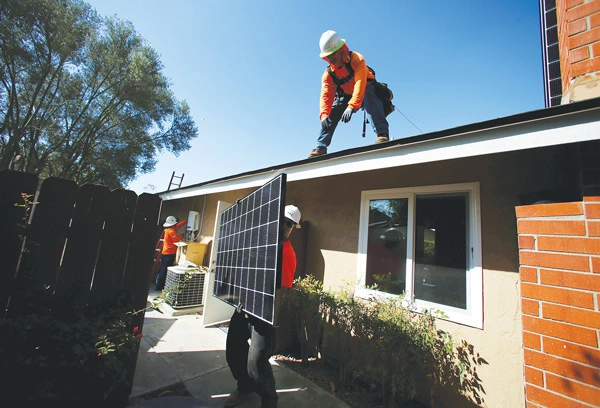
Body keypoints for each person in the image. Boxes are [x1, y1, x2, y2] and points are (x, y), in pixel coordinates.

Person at [223, 205, 301, 408]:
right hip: (243, 306)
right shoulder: (259, 242)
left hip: (263, 313)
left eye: (289, 224)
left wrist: (269, 319)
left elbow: (282, 291)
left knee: (256, 363)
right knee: (234, 350)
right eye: (283, 220)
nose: (285, 226)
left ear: (292, 228)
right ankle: (245, 388)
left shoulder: (287, 254)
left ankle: (269, 402)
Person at [308, 30, 390, 158]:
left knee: (369, 95)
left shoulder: (357, 59)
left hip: (366, 88)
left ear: (341, 51)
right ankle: (320, 147)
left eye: (333, 58)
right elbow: (326, 95)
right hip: (347, 95)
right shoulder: (329, 74)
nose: (332, 62)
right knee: (331, 112)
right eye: (329, 59)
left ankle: (382, 134)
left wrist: (352, 106)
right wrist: (324, 115)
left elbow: (360, 84)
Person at [155, 215, 183, 291]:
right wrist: (181, 236)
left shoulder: (167, 230)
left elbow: (178, 225)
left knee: (162, 269)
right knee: (165, 270)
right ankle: (160, 286)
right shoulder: (171, 231)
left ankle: (158, 285)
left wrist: (185, 221)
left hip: (165, 253)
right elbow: (176, 240)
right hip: (169, 254)